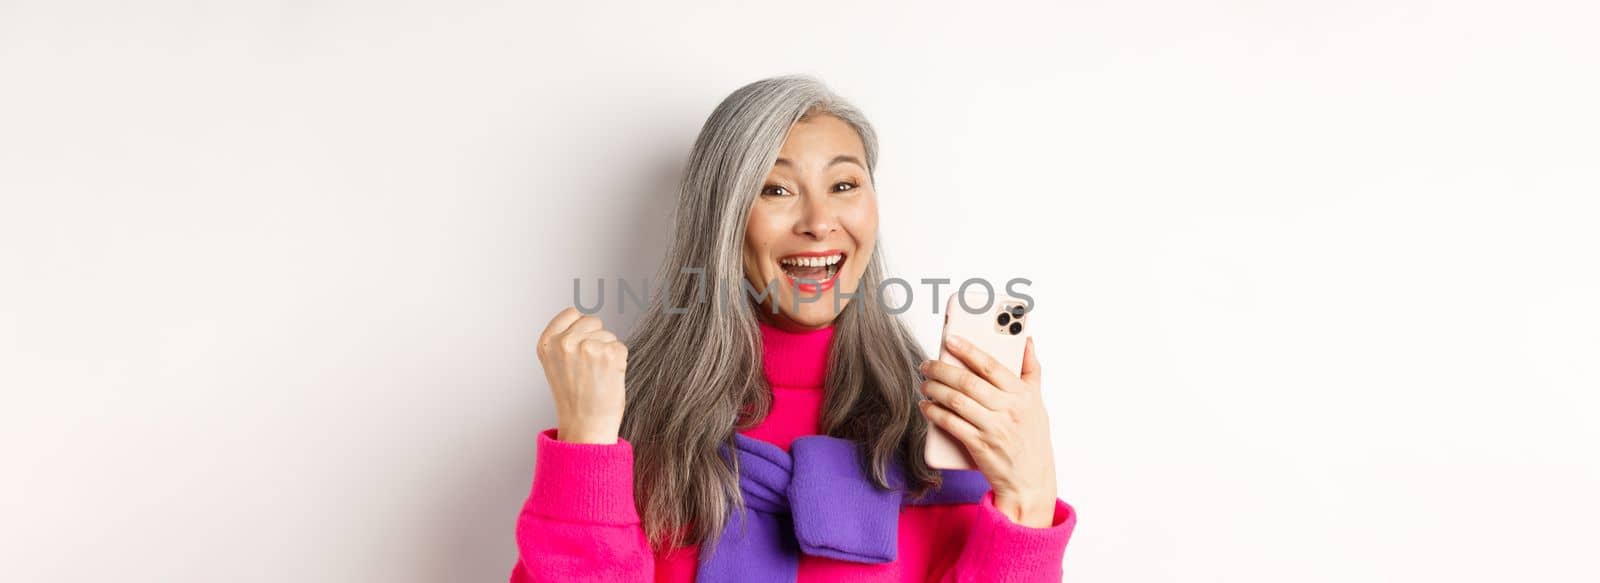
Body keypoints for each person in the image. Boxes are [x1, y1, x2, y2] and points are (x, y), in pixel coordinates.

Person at [508, 75, 1076, 582]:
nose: (820, 223)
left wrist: (1029, 493)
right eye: (776, 190)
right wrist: (586, 450)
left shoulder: (940, 429)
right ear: (723, 219)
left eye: (845, 185)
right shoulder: (629, 422)